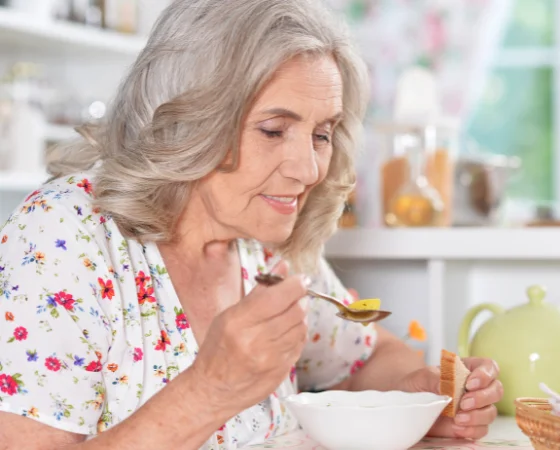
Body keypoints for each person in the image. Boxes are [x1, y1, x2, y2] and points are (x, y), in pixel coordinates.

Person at [0, 0, 502, 448]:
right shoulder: (64, 236)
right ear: (188, 120)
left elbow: (364, 356)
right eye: (273, 130)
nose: (307, 170)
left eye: (321, 134)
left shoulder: (263, 243)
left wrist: (415, 395)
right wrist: (210, 390)